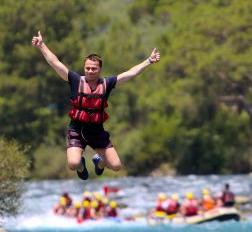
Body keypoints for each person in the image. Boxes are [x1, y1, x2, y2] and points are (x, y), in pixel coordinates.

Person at [32, 31, 160, 180]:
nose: (90, 71)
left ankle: (99, 162)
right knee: (73, 164)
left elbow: (130, 73)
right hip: (77, 131)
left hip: (97, 132)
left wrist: (149, 60)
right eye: (87, 68)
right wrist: (42, 46)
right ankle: (81, 164)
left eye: (94, 68)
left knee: (117, 166)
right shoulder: (74, 80)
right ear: (84, 68)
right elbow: (55, 63)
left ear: (100, 69)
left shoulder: (107, 83)